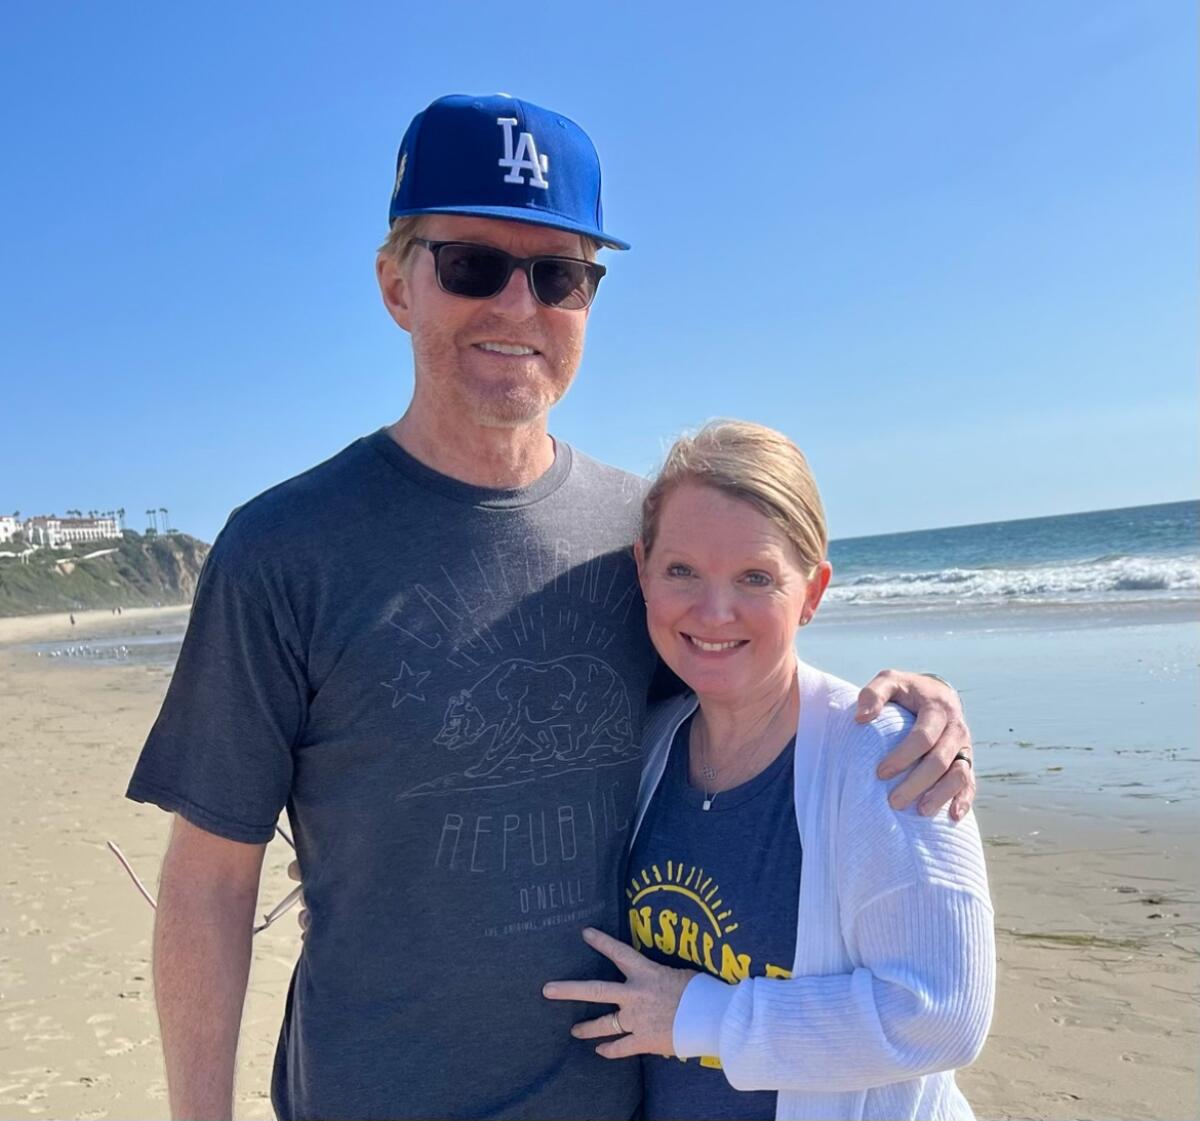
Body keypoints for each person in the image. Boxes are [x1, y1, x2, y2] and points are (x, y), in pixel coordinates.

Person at [124, 93, 975, 1121]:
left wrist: (909, 701)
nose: (518, 308)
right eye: (472, 265)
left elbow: (742, 677)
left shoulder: (642, 537)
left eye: (559, 275)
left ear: (588, 300)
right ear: (397, 283)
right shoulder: (282, 548)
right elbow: (209, 883)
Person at [543, 421, 994, 1120]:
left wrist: (700, 1016)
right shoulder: (647, 744)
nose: (713, 611)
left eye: (755, 576)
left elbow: (941, 1011)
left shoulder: (887, 756)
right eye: (681, 570)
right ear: (643, 569)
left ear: (812, 592)